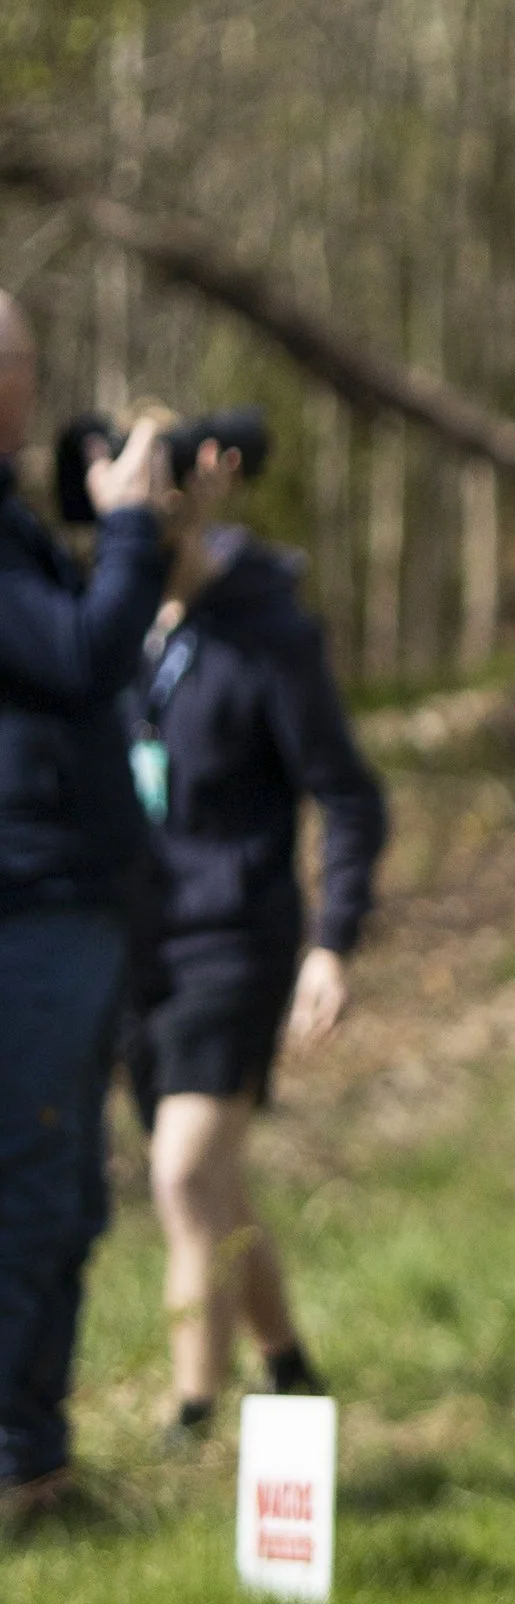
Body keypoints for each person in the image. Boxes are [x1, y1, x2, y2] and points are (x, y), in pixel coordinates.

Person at [121, 466, 387, 1443]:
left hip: (237, 938)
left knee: (183, 1174)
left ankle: (189, 1419)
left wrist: (333, 940)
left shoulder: (268, 634)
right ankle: (291, 1368)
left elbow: (349, 794)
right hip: (136, 946)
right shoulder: (117, 633)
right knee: (216, 1183)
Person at [0, 297, 177, 1532]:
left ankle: (36, 1464)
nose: (30, 381)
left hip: (68, 899)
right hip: (28, 906)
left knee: (63, 1189)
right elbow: (79, 656)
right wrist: (128, 531)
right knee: (29, 1182)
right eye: (16, 361)